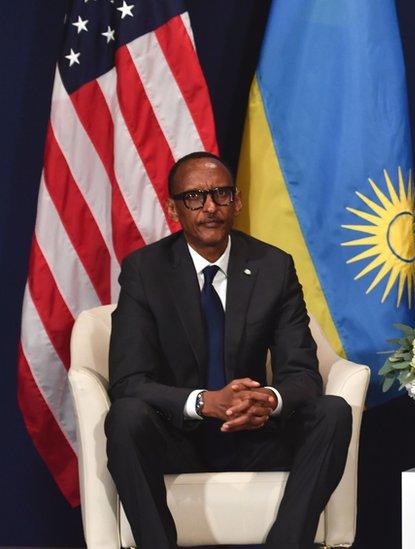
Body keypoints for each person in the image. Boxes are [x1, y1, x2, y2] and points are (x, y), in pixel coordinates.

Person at [105, 151, 352, 548]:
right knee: (126, 416)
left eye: (221, 194)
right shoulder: (144, 271)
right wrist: (204, 402)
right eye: (194, 198)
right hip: (179, 437)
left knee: (332, 412)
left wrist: (267, 400)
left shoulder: (273, 266)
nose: (210, 207)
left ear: (236, 201)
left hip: (254, 435)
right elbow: (129, 382)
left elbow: (302, 373)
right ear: (173, 209)